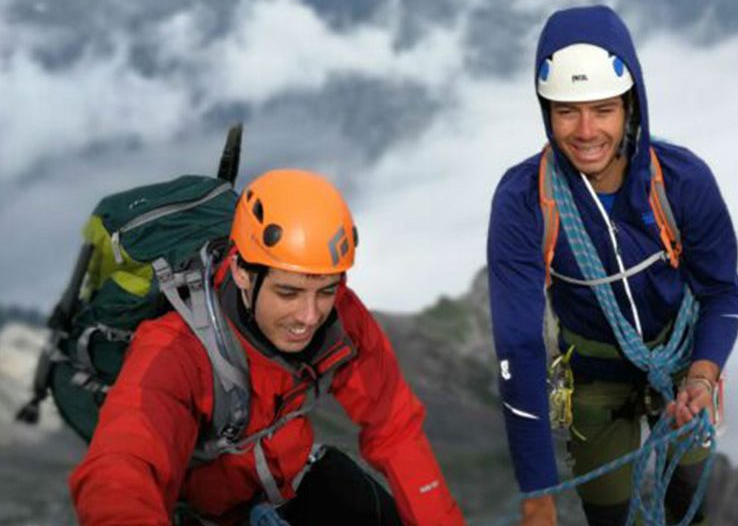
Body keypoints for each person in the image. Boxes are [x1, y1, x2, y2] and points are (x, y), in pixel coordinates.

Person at [69, 169, 465, 526]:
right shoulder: (174, 348)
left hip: (293, 485)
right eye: (288, 292)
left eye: (325, 289)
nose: (309, 316)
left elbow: (394, 427)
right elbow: (121, 469)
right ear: (243, 272)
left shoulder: (340, 316)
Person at [487, 5, 738, 526]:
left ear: (630, 106)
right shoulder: (525, 201)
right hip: (594, 378)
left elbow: (722, 293)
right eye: (566, 111)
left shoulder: (681, 182)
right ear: (546, 111)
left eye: (602, 109)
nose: (585, 131)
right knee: (609, 516)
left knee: (689, 504)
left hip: (681, 369)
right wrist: (537, 493)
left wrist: (702, 372)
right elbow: (518, 345)